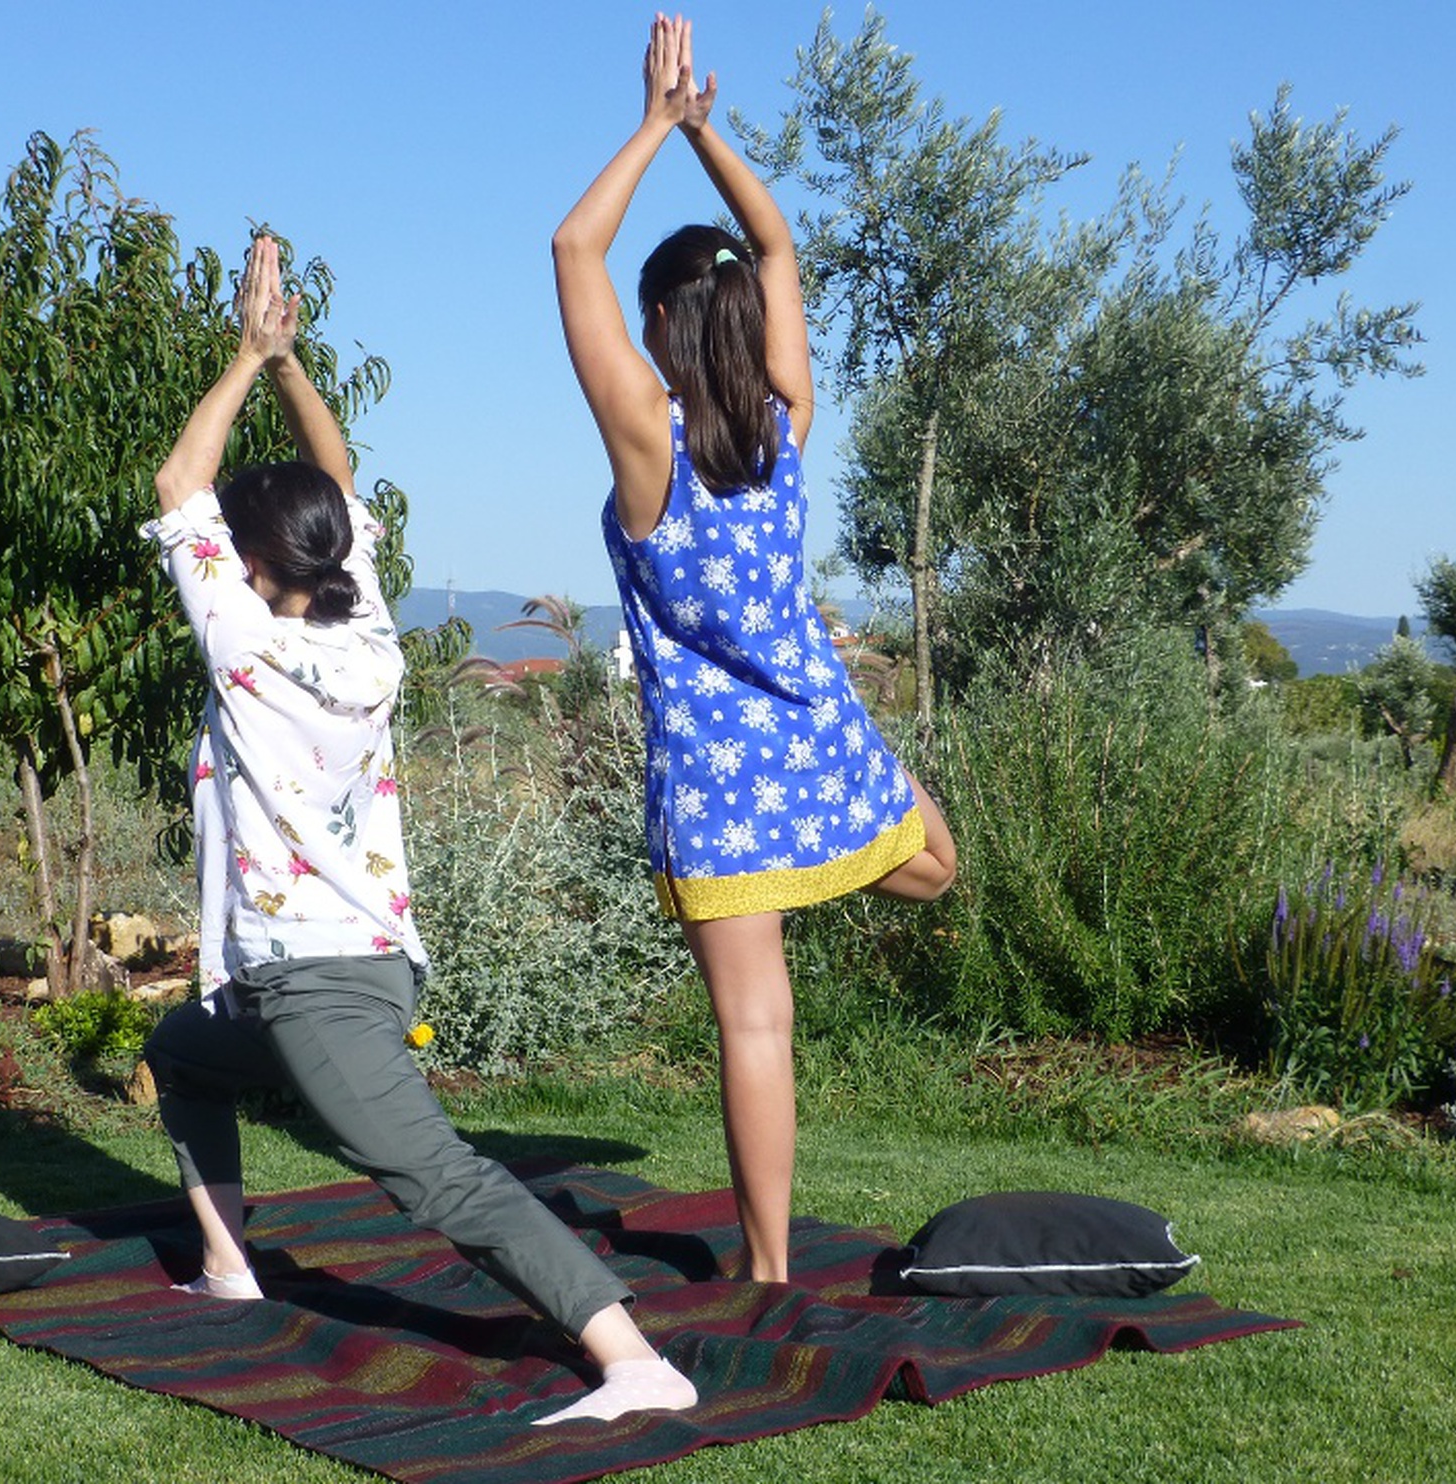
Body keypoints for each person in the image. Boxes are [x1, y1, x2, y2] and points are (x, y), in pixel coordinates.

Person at [141, 235, 696, 1426]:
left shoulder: (242, 642)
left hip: (316, 985)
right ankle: (229, 1263)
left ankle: (630, 1356)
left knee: (435, 1176)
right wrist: (289, 362)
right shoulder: (368, 632)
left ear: (248, 561)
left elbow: (178, 479)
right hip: (346, 966)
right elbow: (333, 477)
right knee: (181, 1050)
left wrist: (245, 356)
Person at [552, 15, 958, 1284]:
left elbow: (571, 245)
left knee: (754, 1020)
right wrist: (705, 132)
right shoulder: (785, 424)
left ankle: (770, 1271)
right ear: (737, 312)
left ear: (660, 322)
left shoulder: (648, 447)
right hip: (817, 737)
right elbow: (774, 245)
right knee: (933, 865)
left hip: (719, 781)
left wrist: (653, 124)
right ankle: (813, 855)